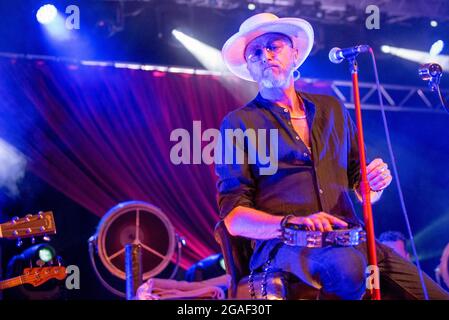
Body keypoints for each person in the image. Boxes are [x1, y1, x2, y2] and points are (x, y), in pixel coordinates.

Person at [215, 12, 449, 299]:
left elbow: (361, 188)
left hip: (352, 238)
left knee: (432, 294)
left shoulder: (332, 108)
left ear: (294, 52)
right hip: (285, 245)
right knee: (347, 267)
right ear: (249, 68)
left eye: (273, 46)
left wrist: (372, 184)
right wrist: (289, 223)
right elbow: (234, 218)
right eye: (255, 53)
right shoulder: (239, 122)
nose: (265, 55)